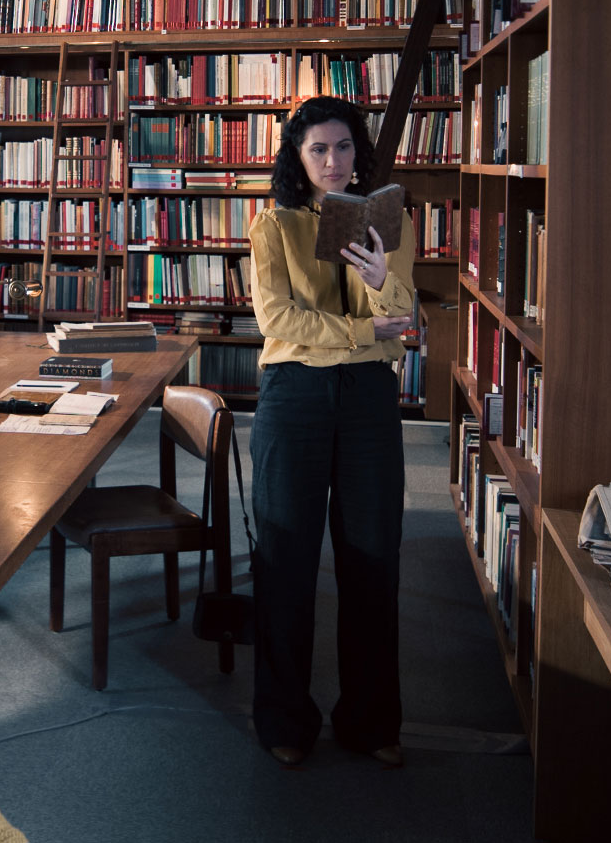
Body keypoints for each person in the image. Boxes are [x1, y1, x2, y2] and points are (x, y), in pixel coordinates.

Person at [247, 95, 416, 768]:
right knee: (286, 556)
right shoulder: (274, 226)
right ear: (298, 156)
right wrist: (361, 331)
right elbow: (278, 321)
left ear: (359, 152)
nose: (333, 161)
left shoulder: (386, 219)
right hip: (295, 395)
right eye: (318, 149)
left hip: (369, 396)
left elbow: (400, 318)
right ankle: (285, 720)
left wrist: (379, 284)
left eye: (343, 147)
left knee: (373, 556)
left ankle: (372, 721)